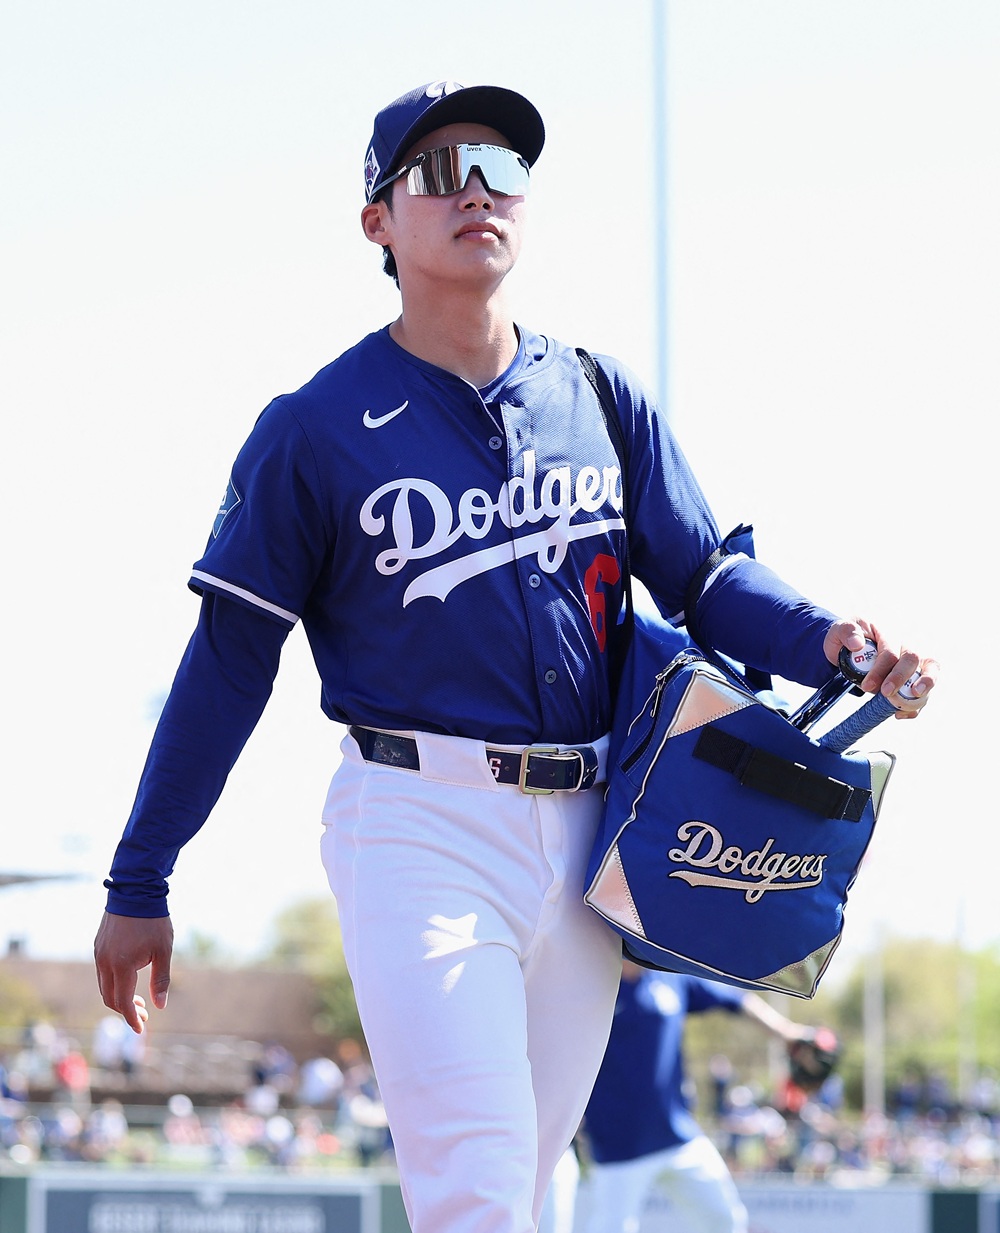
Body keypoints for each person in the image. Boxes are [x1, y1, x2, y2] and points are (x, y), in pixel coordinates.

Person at [93, 79, 937, 1233]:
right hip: (417, 822)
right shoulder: (316, 426)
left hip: (594, 833)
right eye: (436, 171)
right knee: (482, 1185)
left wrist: (826, 639)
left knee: (531, 1193)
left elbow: (703, 579)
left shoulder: (593, 392)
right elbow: (231, 659)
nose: (476, 189)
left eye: (502, 166)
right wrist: (142, 875)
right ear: (378, 223)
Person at [577, 962, 810, 1233]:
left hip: (679, 1138)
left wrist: (788, 1033)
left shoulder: (670, 976)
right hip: (617, 1149)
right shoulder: (590, 980)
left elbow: (736, 999)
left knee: (726, 1222)